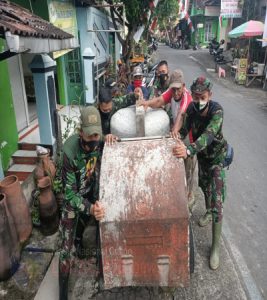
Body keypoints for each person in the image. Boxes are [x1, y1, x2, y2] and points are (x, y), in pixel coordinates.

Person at [172, 76, 228, 270]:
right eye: (195, 97)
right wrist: (174, 137)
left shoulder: (217, 111)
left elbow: (208, 136)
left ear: (209, 95)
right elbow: (184, 130)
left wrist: (188, 150)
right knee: (204, 187)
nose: (198, 100)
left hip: (216, 160)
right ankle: (207, 211)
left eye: (202, 96)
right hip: (202, 159)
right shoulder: (192, 109)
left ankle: (215, 248)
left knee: (217, 201)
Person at [58, 106, 105, 300]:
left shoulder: (99, 141)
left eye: (97, 135)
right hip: (74, 200)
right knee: (65, 249)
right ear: (80, 133)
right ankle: (62, 293)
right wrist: (89, 208)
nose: (94, 140)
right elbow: (69, 194)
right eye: (89, 136)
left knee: (95, 231)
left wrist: (110, 139)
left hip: (90, 193)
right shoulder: (69, 151)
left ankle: (96, 264)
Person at [139, 69, 195, 208]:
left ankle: (189, 193)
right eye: (173, 89)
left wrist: (174, 131)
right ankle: (174, 186)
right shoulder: (171, 92)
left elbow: (182, 114)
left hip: (188, 133)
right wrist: (146, 103)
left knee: (188, 160)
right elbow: (159, 100)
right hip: (177, 128)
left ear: (183, 85)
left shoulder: (187, 97)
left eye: (178, 89)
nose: (176, 93)